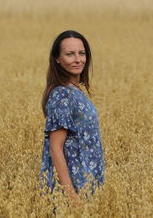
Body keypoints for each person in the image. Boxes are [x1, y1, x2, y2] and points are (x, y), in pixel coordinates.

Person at [40, 30, 105, 205]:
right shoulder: (62, 94)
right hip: (75, 188)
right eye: (70, 54)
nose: (78, 59)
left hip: (87, 185)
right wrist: (71, 197)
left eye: (81, 53)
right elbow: (55, 147)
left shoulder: (74, 91)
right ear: (57, 58)